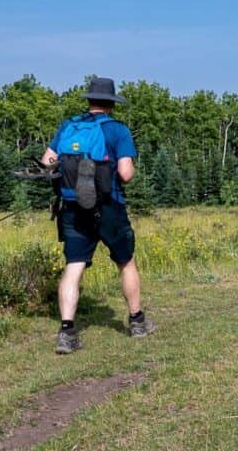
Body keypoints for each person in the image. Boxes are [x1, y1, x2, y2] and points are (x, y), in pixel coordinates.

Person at [41, 76, 156, 354]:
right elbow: (126, 174)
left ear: (90, 101)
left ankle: (67, 333)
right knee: (125, 262)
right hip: (108, 207)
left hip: (72, 207)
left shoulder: (69, 126)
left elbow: (47, 161)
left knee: (74, 265)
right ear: (111, 104)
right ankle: (137, 322)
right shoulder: (117, 130)